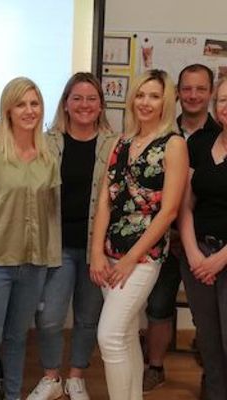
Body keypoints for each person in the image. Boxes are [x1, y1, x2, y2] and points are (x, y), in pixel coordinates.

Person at [89, 69, 188, 400]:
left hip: (143, 256)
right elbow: (105, 200)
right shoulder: (121, 142)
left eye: (154, 96)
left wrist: (131, 258)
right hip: (110, 252)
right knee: (126, 334)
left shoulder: (173, 144)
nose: (145, 102)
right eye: (141, 95)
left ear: (166, 103)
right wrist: (96, 252)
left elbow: (169, 211)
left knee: (109, 336)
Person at [0, 77, 61, 400]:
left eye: (34, 103)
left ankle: (14, 394)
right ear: (8, 110)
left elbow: (50, 214)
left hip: (32, 265)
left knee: (18, 338)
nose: (29, 110)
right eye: (21, 104)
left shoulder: (48, 159)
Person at [27, 72, 116, 400]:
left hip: (97, 248)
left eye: (91, 98)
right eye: (77, 98)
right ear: (65, 103)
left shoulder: (114, 144)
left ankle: (76, 377)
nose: (84, 105)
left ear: (101, 105)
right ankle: (51, 377)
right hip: (56, 247)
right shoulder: (46, 142)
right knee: (49, 318)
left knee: (88, 318)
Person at [143, 63, 220, 393]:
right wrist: (169, 233)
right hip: (160, 238)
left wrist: (188, 239)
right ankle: (155, 367)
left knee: (208, 316)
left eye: (200, 89)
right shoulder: (161, 130)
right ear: (177, 92)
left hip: (201, 245)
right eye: (186, 88)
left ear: (211, 92)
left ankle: (212, 376)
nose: (193, 95)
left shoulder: (219, 133)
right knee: (158, 305)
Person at [178, 76, 227, 400]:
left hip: (224, 256)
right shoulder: (198, 143)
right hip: (197, 254)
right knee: (208, 340)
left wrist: (220, 259)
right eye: (223, 100)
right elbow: (184, 205)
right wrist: (194, 253)